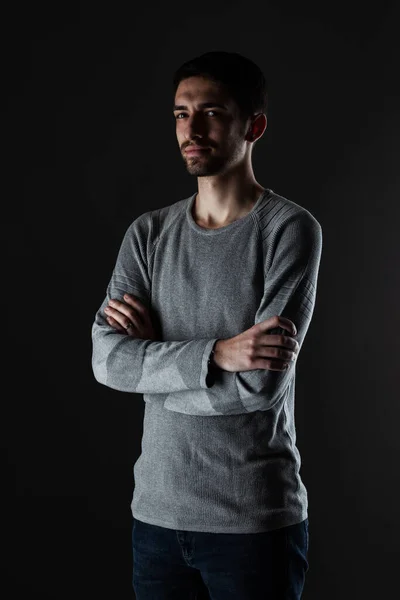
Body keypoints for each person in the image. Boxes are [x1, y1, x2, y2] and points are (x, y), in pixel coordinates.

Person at [91, 50, 323, 599]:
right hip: (155, 518)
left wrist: (152, 373)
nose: (191, 129)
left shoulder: (289, 230)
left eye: (212, 112)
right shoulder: (147, 234)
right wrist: (216, 356)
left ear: (254, 125)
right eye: (180, 113)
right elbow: (105, 361)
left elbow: (258, 388)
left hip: (253, 523)